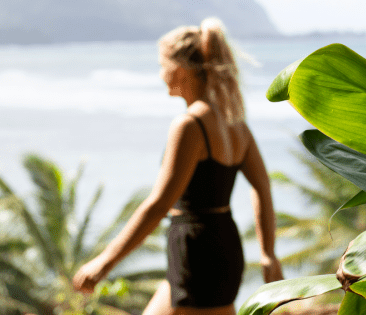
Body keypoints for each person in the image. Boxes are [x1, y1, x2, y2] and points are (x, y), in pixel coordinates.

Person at [73, 18, 283, 314]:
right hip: (219, 244)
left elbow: (159, 204)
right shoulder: (236, 124)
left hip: (197, 254)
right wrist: (268, 253)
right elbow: (262, 186)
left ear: (181, 70)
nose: (161, 75)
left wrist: (104, 262)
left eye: (163, 66)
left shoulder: (189, 125)